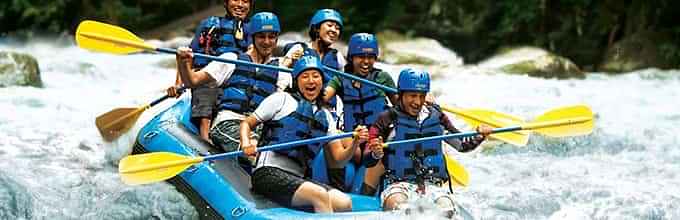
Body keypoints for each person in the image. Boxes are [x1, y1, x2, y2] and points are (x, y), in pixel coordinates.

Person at [240, 55, 369, 213]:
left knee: (344, 202)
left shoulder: (326, 116)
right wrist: (246, 143)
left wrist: (355, 142)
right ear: (296, 81)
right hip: (267, 173)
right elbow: (247, 123)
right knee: (319, 195)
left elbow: (338, 160)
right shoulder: (281, 99)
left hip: (298, 178)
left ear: (322, 82)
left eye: (316, 76)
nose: (311, 81)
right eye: (305, 76)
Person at [364, 68, 492, 211]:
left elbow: (462, 145)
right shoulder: (387, 118)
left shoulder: (437, 116)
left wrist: (480, 136)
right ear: (401, 94)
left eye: (422, 96)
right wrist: (376, 152)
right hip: (398, 185)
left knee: (447, 209)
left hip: (432, 185)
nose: (417, 102)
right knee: (400, 207)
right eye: (412, 95)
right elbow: (367, 158)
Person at [173, 12, 291, 158]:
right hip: (228, 123)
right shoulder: (231, 60)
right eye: (261, 36)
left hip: (259, 128)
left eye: (271, 37)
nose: (267, 42)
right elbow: (193, 81)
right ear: (253, 37)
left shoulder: (281, 70)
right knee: (261, 154)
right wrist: (183, 62)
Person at [168, 0, 254, 142]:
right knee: (208, 86)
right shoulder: (210, 24)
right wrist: (178, 84)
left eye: (245, 1)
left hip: (236, 77)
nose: (240, 5)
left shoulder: (252, 29)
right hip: (207, 75)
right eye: (235, 0)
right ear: (226, 3)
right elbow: (187, 56)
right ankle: (205, 139)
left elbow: (255, 53)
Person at [322, 33, 398, 190]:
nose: (366, 61)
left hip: (377, 140)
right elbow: (323, 96)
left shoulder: (383, 78)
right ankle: (336, 187)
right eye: (360, 56)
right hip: (354, 142)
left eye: (371, 57)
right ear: (352, 57)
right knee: (332, 134)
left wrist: (422, 100)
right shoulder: (341, 78)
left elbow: (402, 106)